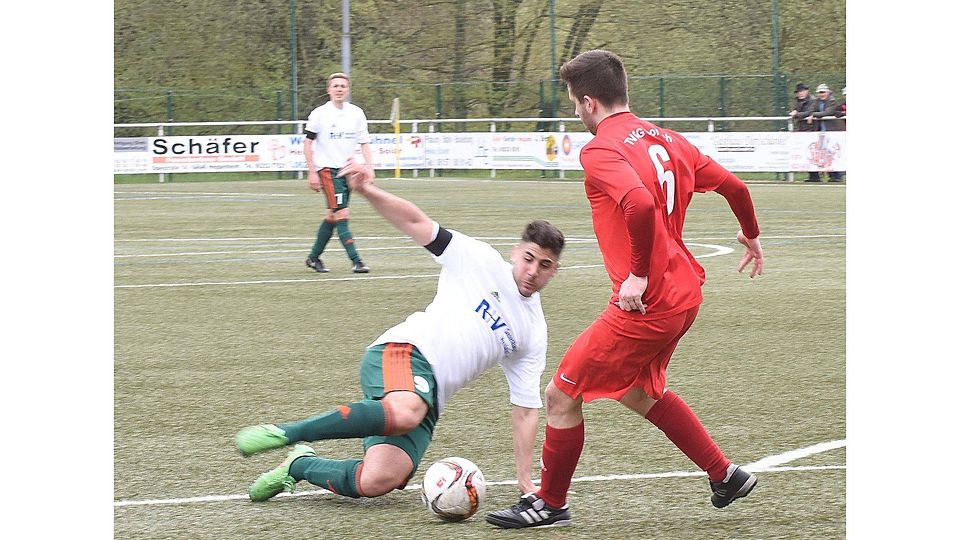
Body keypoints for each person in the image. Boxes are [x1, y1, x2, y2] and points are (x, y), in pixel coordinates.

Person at [486, 49, 764, 529]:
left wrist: (637, 273)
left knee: (560, 395)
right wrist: (751, 234)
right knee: (639, 392)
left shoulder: (600, 149)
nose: (576, 113)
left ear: (590, 102)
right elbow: (736, 187)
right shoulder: (670, 140)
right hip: (685, 295)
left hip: (647, 301)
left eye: (575, 104)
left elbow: (636, 202)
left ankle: (550, 503)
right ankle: (724, 474)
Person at [236, 160, 566, 503]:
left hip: (429, 397)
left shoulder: (532, 331)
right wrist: (366, 189)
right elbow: (416, 222)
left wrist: (526, 482)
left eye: (544, 266)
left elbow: (526, 409)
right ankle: (289, 433)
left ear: (554, 271)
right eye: (528, 258)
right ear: (516, 252)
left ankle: (298, 466)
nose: (532, 271)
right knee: (407, 411)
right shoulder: (478, 258)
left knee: (379, 479)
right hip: (404, 351)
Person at [303, 72, 372, 274]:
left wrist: (369, 168)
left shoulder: (356, 113)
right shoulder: (320, 114)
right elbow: (307, 143)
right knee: (342, 213)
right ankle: (357, 261)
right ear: (329, 90)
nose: (339, 89)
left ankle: (313, 257)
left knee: (333, 216)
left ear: (348, 90)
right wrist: (312, 172)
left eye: (343, 86)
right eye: (336, 86)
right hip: (327, 169)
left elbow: (364, 143)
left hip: (347, 171)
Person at [807, 83, 844, 182]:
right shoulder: (816, 102)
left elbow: (827, 112)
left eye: (823, 92)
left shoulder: (832, 101)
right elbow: (810, 111)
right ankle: (819, 175)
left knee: (832, 153)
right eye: (819, 92)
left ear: (827, 92)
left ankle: (836, 176)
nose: (821, 94)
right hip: (820, 132)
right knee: (822, 154)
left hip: (832, 131)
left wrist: (813, 114)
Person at [788, 82, 822, 183]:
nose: (801, 93)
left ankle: (816, 176)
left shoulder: (813, 100)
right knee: (807, 153)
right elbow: (793, 111)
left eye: (802, 91)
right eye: (799, 92)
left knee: (813, 153)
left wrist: (796, 114)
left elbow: (809, 112)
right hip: (802, 130)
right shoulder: (797, 101)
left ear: (807, 91)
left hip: (812, 130)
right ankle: (812, 175)